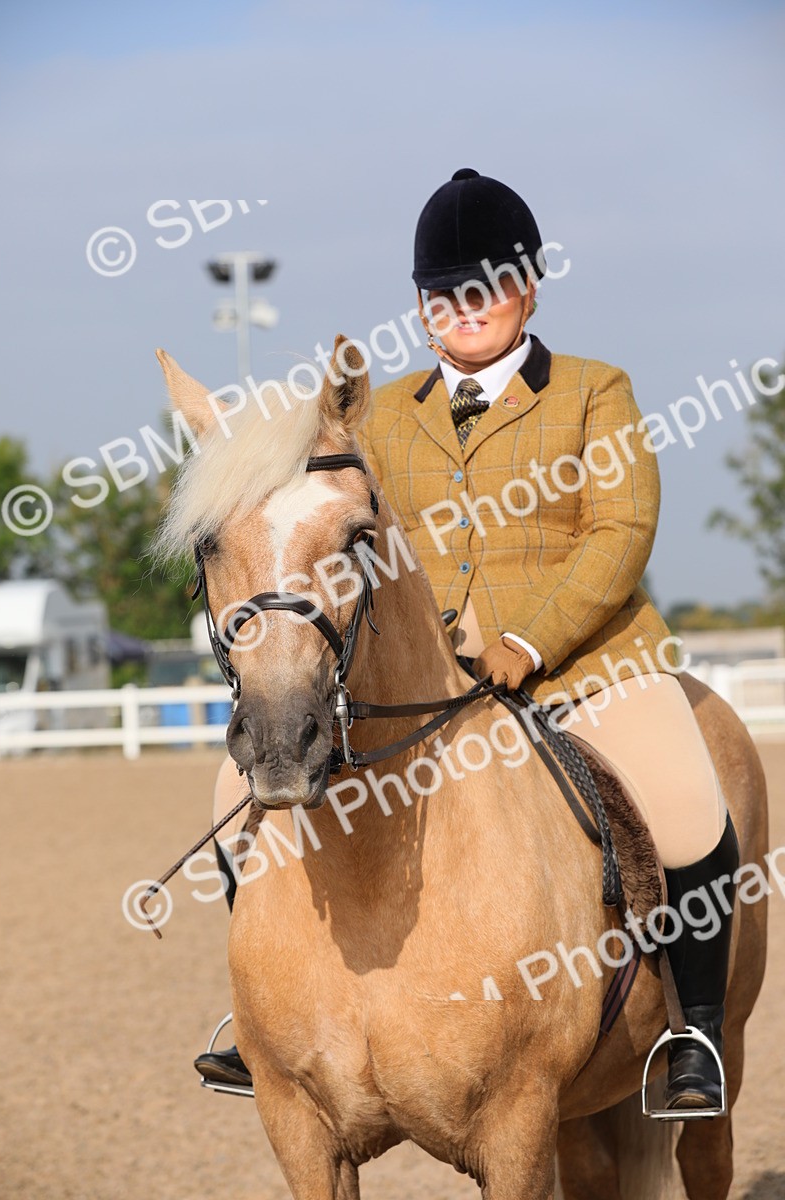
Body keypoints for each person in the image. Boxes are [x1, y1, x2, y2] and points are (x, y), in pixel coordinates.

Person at [196, 168, 738, 1116]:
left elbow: (621, 532)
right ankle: (264, 1022)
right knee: (230, 792)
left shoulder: (594, 392)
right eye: (444, 294)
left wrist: (528, 642)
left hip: (586, 665)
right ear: (420, 308)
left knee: (691, 804)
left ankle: (693, 1028)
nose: (465, 308)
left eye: (485, 287)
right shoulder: (374, 416)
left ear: (527, 288)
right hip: (434, 681)